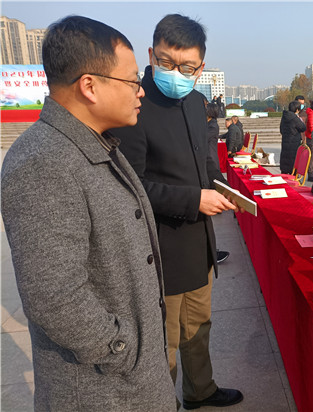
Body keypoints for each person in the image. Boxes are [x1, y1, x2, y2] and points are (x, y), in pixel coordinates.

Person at [1, 16, 176, 411]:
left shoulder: (95, 145)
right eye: (132, 81)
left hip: (133, 382)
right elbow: (54, 296)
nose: (141, 91)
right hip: (104, 392)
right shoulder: (43, 162)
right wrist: (122, 350)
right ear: (90, 86)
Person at [109, 14, 243, 410]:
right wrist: (193, 201)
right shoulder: (135, 106)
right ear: (151, 55)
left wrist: (222, 188)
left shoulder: (198, 103)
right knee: (163, 343)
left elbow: (206, 162)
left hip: (198, 243)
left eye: (187, 67)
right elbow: (131, 186)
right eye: (167, 63)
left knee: (198, 327)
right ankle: (162, 403)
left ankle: (200, 390)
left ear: (200, 68)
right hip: (159, 249)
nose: (176, 74)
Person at [205, 100, 231, 264]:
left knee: (214, 185)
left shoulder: (212, 125)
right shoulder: (208, 124)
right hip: (209, 157)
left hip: (210, 159)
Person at [279, 100, 307, 174]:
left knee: (285, 160)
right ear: (297, 110)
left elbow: (281, 129)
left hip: (285, 141)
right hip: (294, 143)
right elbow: (303, 127)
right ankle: (293, 176)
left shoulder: (284, 117)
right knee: (293, 162)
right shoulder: (294, 118)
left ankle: (284, 174)